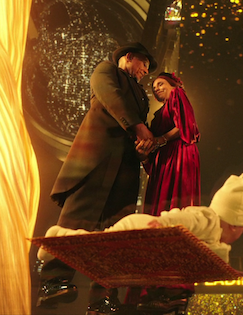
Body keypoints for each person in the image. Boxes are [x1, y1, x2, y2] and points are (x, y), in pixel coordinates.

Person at [43, 42, 157, 313]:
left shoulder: (140, 94)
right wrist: (139, 127)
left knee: (117, 231)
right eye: (144, 65)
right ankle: (53, 282)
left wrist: (142, 148)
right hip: (96, 156)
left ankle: (103, 295)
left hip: (125, 167)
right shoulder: (106, 70)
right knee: (77, 217)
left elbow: (138, 130)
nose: (145, 71)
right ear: (129, 57)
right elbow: (111, 97)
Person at [38, 174, 243, 313]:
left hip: (143, 235)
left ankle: (59, 241)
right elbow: (185, 218)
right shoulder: (208, 220)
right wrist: (163, 223)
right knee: (98, 248)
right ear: (234, 225)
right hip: (142, 229)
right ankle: (58, 237)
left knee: (99, 253)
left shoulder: (213, 234)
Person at [142, 72, 201, 215]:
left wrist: (161, 139)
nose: (156, 88)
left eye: (160, 84)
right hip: (166, 156)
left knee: (175, 199)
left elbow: (185, 125)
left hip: (178, 153)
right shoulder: (160, 111)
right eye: (154, 87)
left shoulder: (177, 93)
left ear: (173, 85)